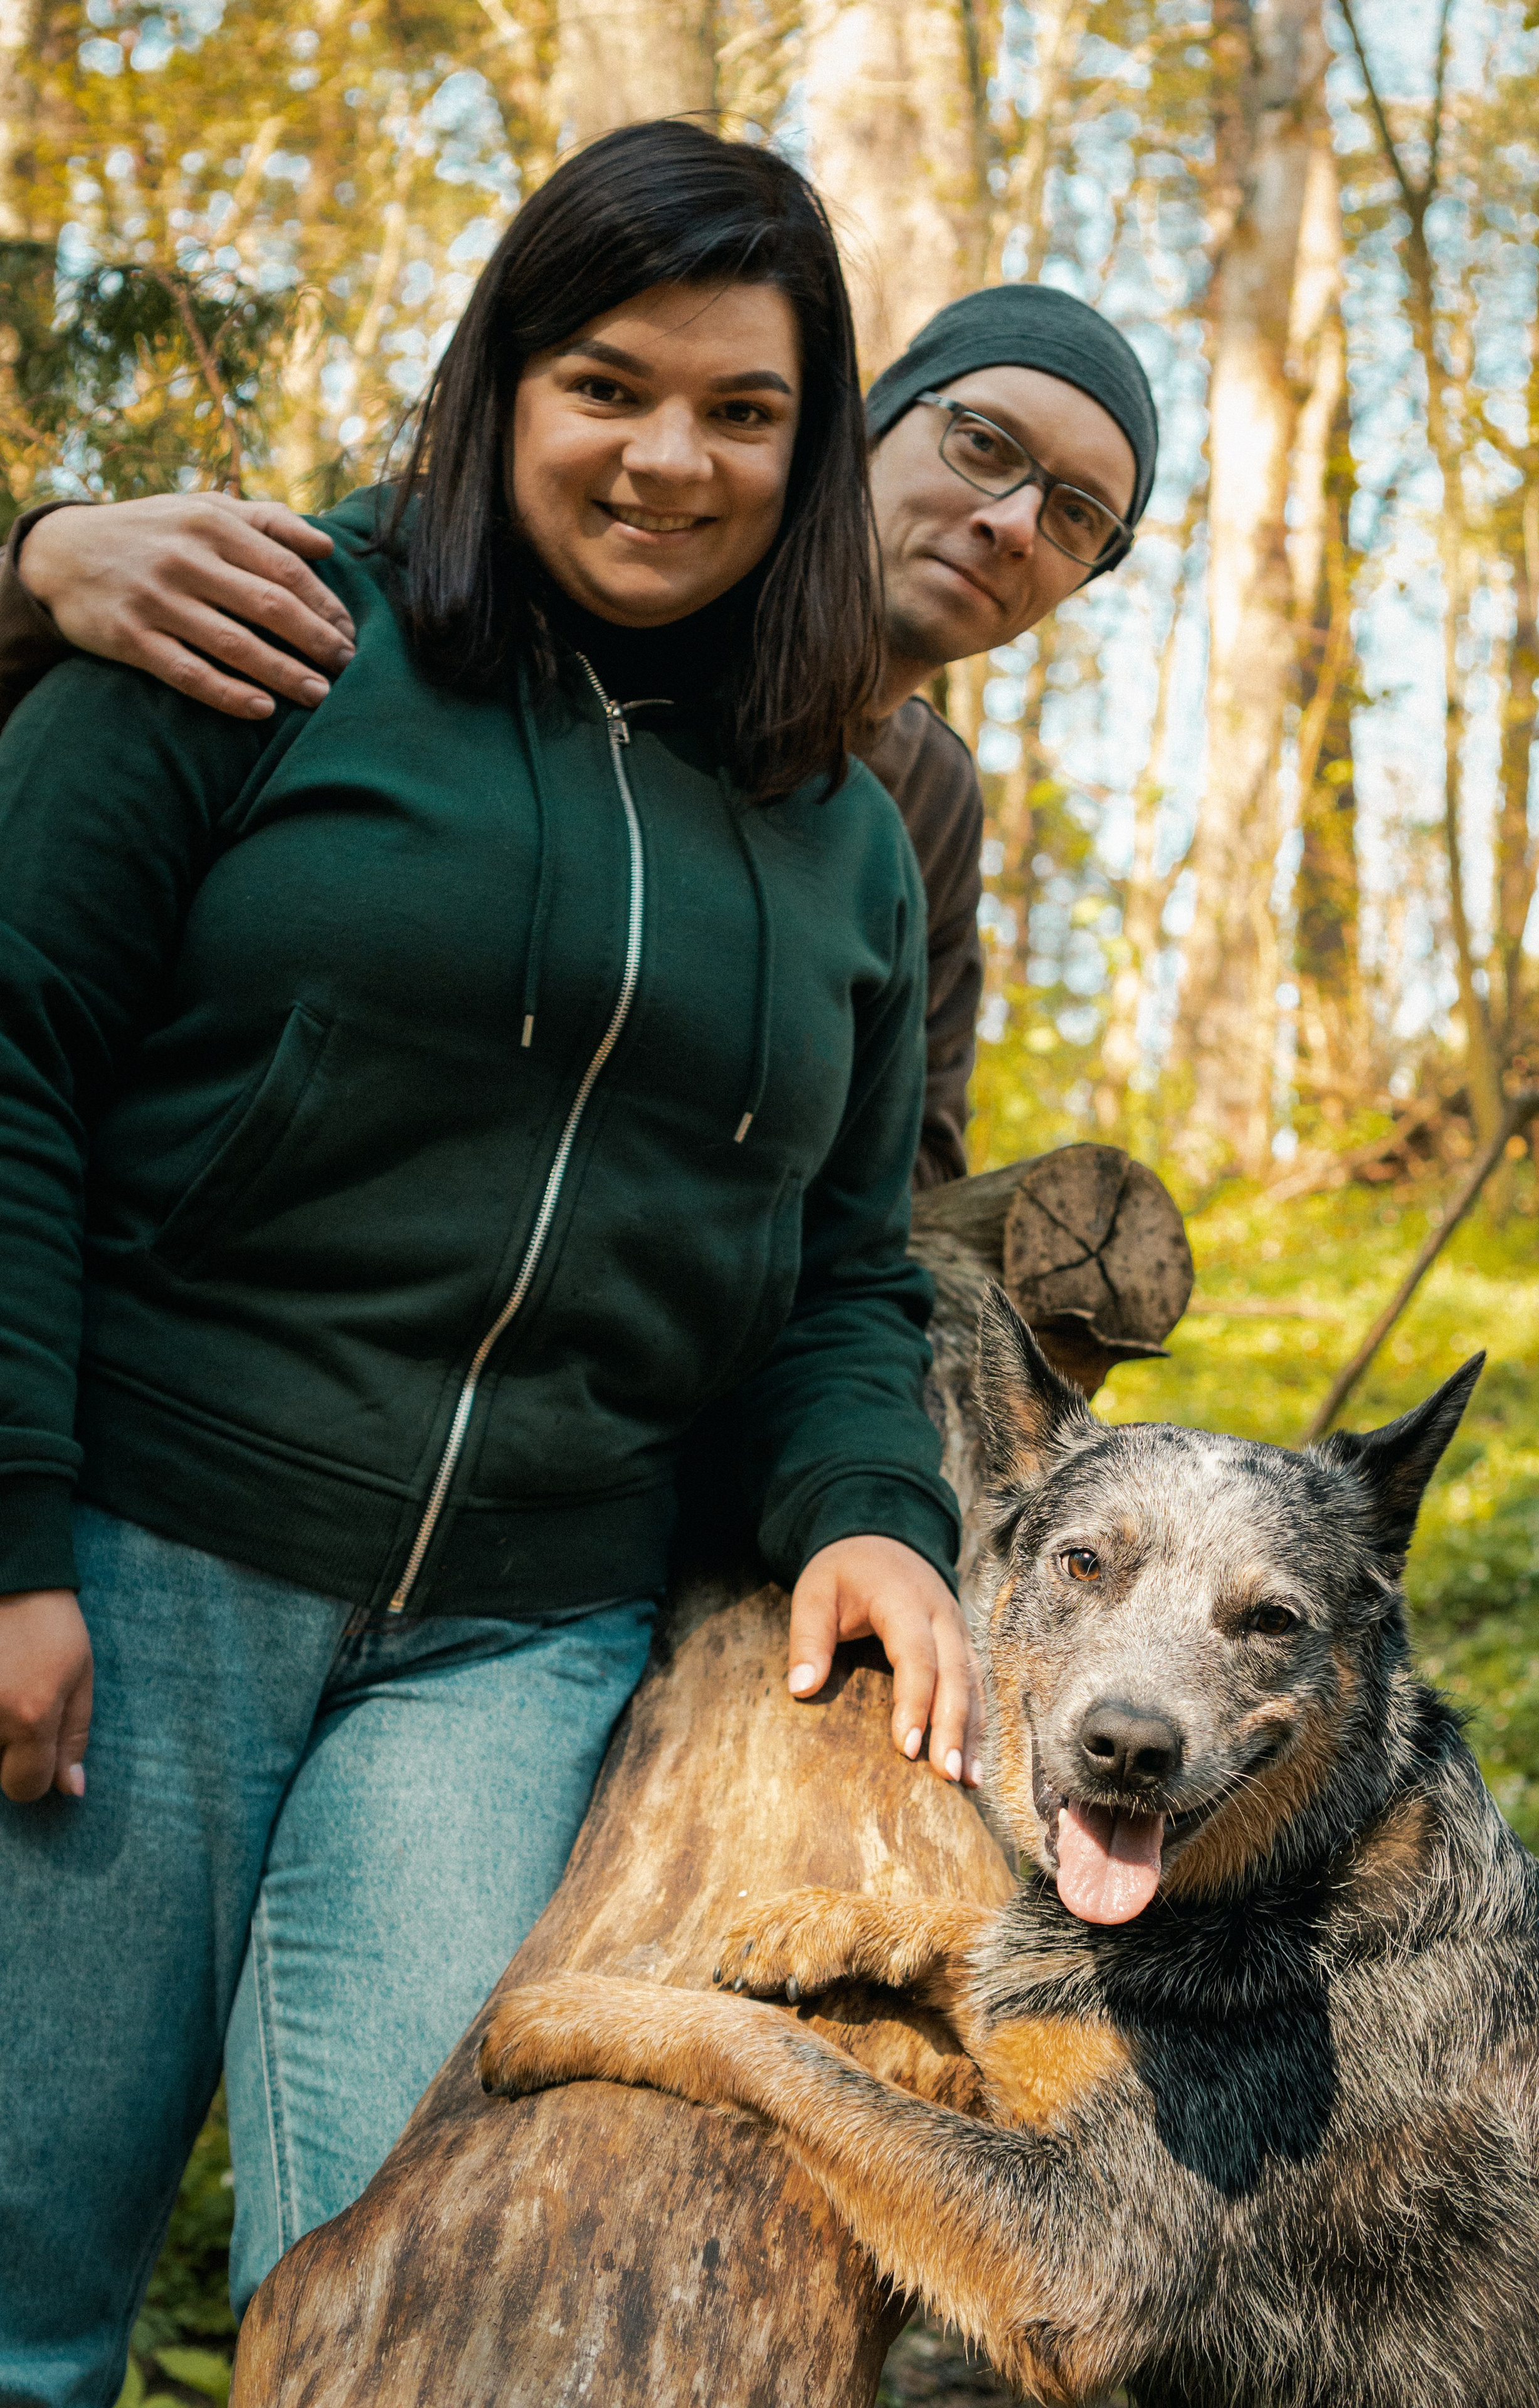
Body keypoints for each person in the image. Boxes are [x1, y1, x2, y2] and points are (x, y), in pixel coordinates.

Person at [0, 120, 979, 2395]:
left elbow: (843, 1266)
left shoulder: (845, 834)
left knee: (442, 2330)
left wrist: (868, 1508)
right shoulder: (262, 624)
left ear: (814, 450)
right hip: (140, 1559)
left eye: (746, 412)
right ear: (500, 381)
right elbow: (13, 1059)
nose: (672, 460)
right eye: (609, 385)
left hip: (517, 1644)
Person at [0, 285, 1159, 1188]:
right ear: (859, 430)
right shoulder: (604, 593)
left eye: (1076, 516)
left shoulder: (925, 805)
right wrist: (36, 563)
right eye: (984, 443)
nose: (1010, 522)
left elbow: (896, 1159)